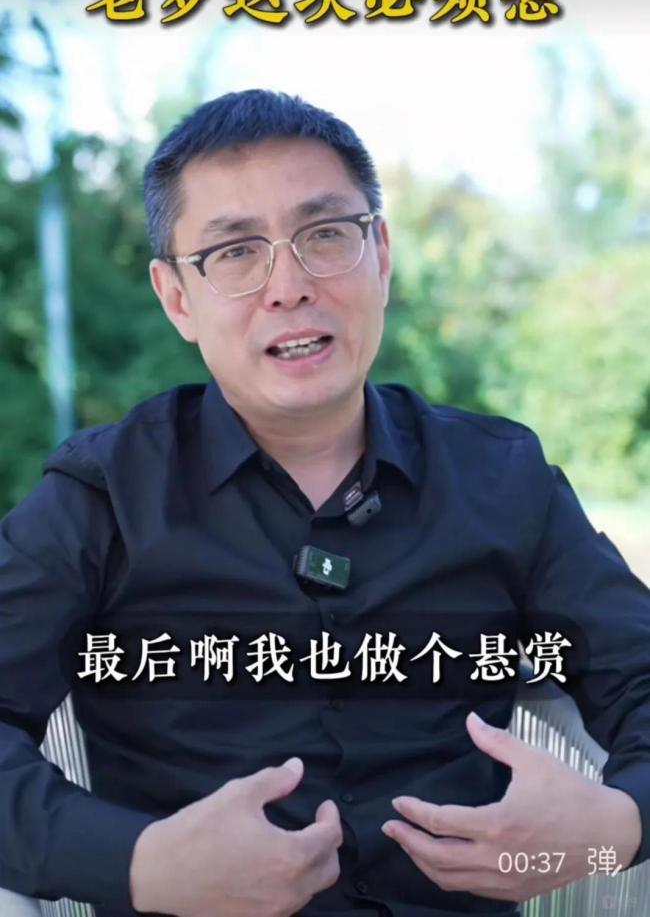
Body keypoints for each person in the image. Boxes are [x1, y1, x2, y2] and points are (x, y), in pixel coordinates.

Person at [0, 89, 649, 917]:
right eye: (235, 252)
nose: (289, 286)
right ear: (176, 298)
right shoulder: (104, 495)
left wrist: (621, 823)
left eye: (326, 234)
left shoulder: (503, 478)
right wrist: (138, 862)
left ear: (381, 254)